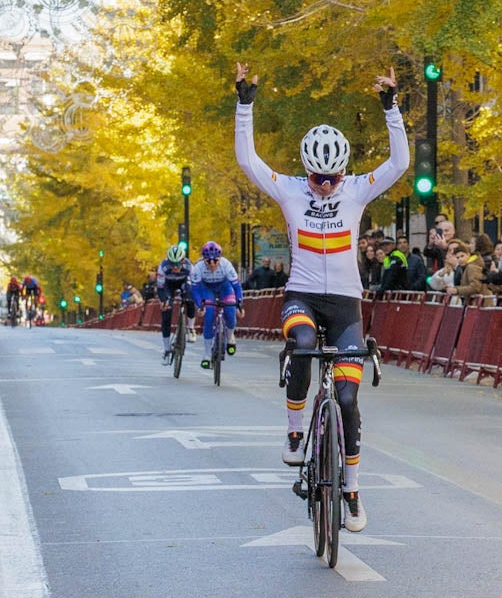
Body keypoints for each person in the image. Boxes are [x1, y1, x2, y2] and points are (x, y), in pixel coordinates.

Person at [234, 61, 406, 533]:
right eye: (318, 178)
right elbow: (248, 161)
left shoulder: (356, 191)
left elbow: (399, 165)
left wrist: (391, 107)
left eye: (333, 178)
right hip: (303, 297)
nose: (326, 187)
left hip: (347, 305)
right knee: (304, 345)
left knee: (347, 399)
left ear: (344, 172)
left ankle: (351, 490)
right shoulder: (289, 190)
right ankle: (294, 432)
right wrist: (245, 105)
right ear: (306, 170)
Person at [191, 241, 242, 367]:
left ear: (220, 258)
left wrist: (240, 304)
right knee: (208, 316)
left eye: (215, 260)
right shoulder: (198, 268)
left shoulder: (226, 265)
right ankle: (207, 354)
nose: (212, 264)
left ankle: (230, 337)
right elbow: (195, 290)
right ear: (203, 260)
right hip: (207, 289)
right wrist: (200, 305)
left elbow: (236, 286)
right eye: (208, 261)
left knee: (230, 313)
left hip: (225, 288)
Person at [154, 242, 195, 361]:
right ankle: (167, 348)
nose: (175, 267)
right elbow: (160, 288)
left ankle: (191, 328)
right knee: (166, 312)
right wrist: (163, 301)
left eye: (178, 264)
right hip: (168, 286)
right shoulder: (163, 267)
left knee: (190, 299)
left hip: (183, 283)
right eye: (172, 264)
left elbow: (194, 286)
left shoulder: (189, 267)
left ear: (183, 261)